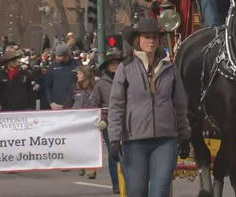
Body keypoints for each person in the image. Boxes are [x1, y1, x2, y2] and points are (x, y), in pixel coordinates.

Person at [107, 18, 191, 197]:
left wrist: (185, 135)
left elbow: (180, 104)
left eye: (155, 37)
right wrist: (114, 138)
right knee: (137, 192)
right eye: (147, 37)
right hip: (134, 141)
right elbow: (116, 105)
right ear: (138, 39)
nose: (151, 40)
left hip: (166, 141)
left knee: (159, 192)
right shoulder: (126, 67)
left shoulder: (170, 68)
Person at [93, 48, 123, 194]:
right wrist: (102, 120)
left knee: (130, 153)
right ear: (106, 66)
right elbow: (95, 105)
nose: (114, 65)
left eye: (117, 62)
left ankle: (128, 181)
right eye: (111, 63)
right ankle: (116, 184)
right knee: (113, 153)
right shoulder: (100, 84)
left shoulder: (127, 79)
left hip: (128, 121)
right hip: (109, 123)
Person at [69, 65, 99, 179]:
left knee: (90, 145)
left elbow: (97, 102)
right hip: (76, 118)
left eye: (79, 73)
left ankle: (91, 169)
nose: (77, 75)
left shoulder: (94, 88)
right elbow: (70, 101)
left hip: (90, 119)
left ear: (85, 75)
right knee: (79, 144)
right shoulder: (74, 87)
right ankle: (81, 164)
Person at [45, 43, 79, 110]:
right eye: (56, 55)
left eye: (59, 56)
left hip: (74, 105)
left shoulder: (77, 65)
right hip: (57, 105)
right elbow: (48, 86)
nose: (56, 57)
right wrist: (51, 102)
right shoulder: (52, 67)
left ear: (66, 56)